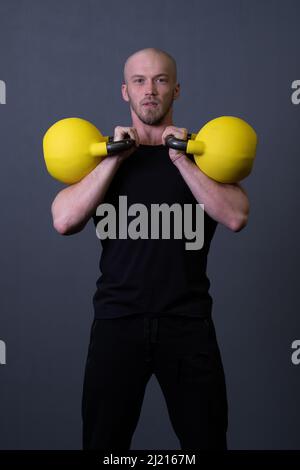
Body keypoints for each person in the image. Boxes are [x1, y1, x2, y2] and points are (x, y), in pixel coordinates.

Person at [51, 47, 249, 450]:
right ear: (125, 91)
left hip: (187, 324)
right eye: (139, 81)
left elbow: (235, 217)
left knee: (207, 445)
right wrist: (112, 160)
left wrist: (182, 162)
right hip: (118, 322)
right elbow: (64, 220)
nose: (150, 90)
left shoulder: (201, 158)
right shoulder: (101, 159)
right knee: (103, 447)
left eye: (160, 80)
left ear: (176, 89)